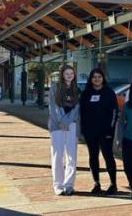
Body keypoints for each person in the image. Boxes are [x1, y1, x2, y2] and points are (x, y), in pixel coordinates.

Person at [79, 68, 118, 195]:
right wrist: (83, 129)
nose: (97, 79)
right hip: (90, 132)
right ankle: (96, 183)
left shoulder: (109, 92)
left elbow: (114, 112)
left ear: (103, 78)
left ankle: (113, 184)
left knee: (108, 157)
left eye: (99, 77)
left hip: (106, 132)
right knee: (93, 157)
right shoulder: (86, 94)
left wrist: (110, 129)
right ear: (91, 79)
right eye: (94, 77)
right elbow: (82, 113)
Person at [48, 65, 80, 195]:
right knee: (58, 155)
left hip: (72, 125)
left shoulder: (77, 90)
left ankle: (69, 184)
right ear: (62, 75)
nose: (69, 75)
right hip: (57, 125)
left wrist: (67, 121)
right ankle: (58, 185)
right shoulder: (55, 88)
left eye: (71, 73)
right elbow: (53, 106)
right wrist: (61, 121)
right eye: (67, 73)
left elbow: (77, 108)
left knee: (72, 156)